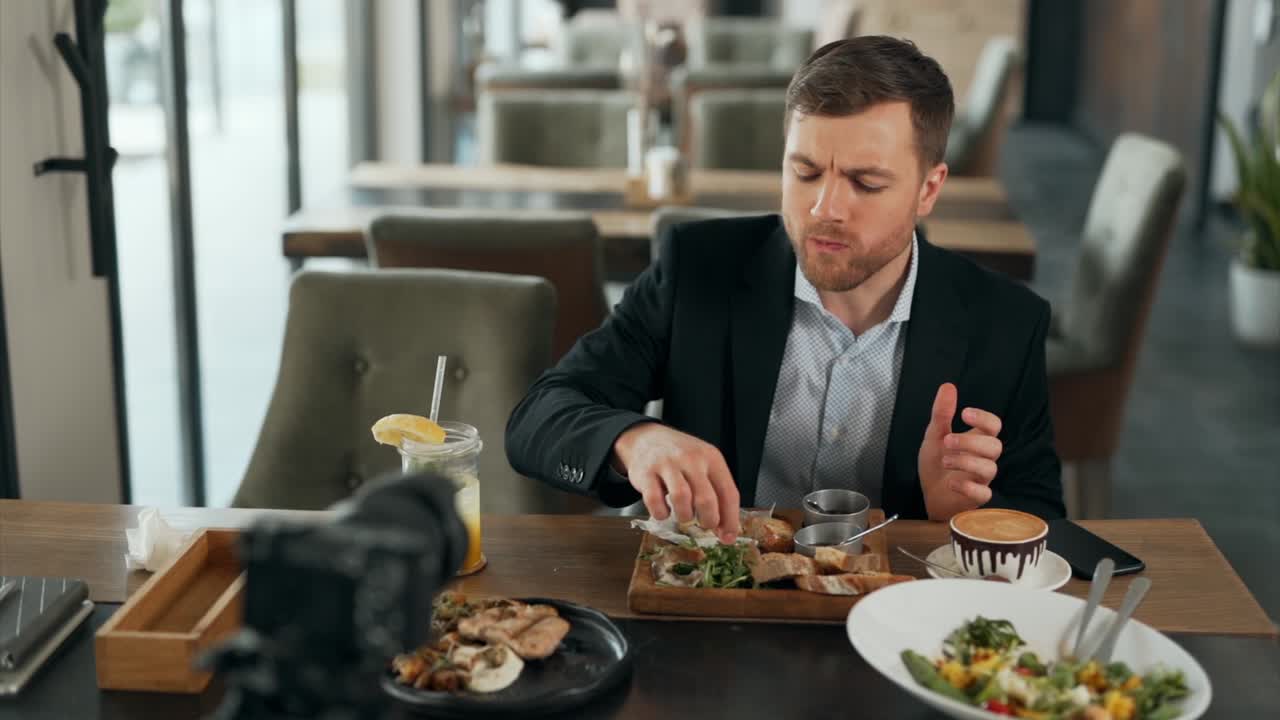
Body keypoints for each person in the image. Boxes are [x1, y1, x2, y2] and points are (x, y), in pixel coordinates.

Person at [505, 36, 1065, 543]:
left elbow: (1044, 518)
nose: (825, 209)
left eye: (865, 183)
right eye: (805, 173)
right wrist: (635, 439)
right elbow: (539, 417)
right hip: (716, 610)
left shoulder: (1005, 323)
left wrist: (952, 516)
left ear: (928, 190)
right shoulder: (697, 269)